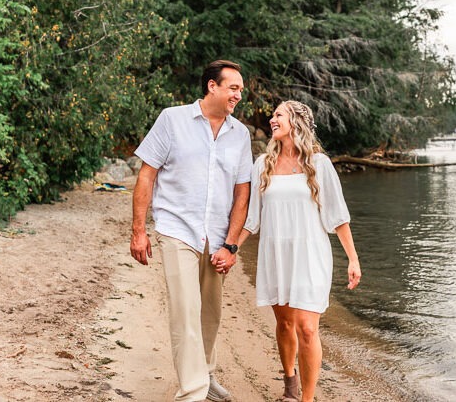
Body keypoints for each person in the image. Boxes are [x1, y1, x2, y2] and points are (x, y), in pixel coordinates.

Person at [130, 60, 253, 402]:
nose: (238, 95)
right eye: (233, 87)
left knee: (209, 314)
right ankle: (192, 392)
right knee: (186, 310)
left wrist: (231, 245)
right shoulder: (172, 119)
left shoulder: (240, 134)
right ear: (212, 86)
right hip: (176, 229)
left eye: (240, 89)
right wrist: (138, 230)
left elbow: (242, 193)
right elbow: (146, 175)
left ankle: (206, 375)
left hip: (217, 236)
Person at [235, 100, 361, 402]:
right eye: (273, 114)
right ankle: (289, 380)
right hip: (276, 255)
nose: (272, 119)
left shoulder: (319, 164)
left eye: (278, 114)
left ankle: (306, 398)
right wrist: (231, 250)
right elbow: (252, 219)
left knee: (306, 328)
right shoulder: (262, 164)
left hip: (311, 255)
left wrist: (353, 259)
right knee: (285, 323)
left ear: (296, 121)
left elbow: (337, 215)